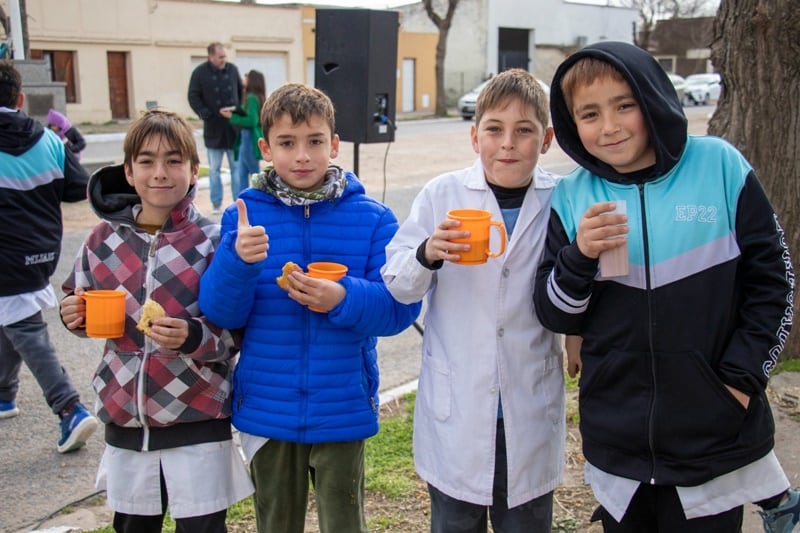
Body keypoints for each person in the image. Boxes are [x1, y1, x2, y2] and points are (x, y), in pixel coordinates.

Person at [533, 41, 799, 532]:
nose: (609, 127)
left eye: (624, 105)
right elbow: (555, 314)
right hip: (618, 441)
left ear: (653, 98)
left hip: (715, 434)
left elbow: (775, 286)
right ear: (571, 124)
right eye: (589, 114)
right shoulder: (572, 196)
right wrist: (579, 258)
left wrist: (739, 381)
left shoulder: (719, 166)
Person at [198, 82, 421, 533]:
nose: (302, 155)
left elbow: (400, 310)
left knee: (345, 523)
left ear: (334, 144)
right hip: (267, 407)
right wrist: (237, 261)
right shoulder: (243, 216)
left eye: (315, 141)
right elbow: (222, 314)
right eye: (286, 143)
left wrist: (343, 298)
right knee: (276, 523)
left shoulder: (374, 219)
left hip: (341, 406)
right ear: (265, 148)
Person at [381, 68, 565, 532]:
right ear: (473, 136)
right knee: (454, 519)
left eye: (524, 131)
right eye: (494, 130)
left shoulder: (562, 199)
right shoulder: (442, 195)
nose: (508, 144)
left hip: (528, 402)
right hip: (457, 407)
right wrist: (427, 254)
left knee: (525, 520)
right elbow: (399, 284)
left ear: (546, 140)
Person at [59, 108, 253, 532]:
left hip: (197, 417)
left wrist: (192, 336)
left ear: (194, 170)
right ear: (128, 172)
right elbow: (77, 299)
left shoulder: (214, 242)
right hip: (125, 417)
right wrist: (72, 314)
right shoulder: (101, 239)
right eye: (146, 161)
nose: (160, 173)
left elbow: (238, 332)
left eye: (173, 161)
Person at [0, 61, 98, 453]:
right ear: (20, 98)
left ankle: (69, 408)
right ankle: (4, 394)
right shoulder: (48, 141)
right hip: (39, 255)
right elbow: (79, 188)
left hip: (4, 256)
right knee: (11, 315)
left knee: (24, 327)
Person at [188, 42, 242, 214]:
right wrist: (207, 114)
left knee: (236, 168)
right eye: (220, 57)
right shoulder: (200, 73)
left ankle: (238, 202)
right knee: (214, 169)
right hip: (213, 129)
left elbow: (241, 92)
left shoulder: (232, 70)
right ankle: (216, 204)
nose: (223, 60)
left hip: (233, 129)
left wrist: (237, 110)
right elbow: (193, 96)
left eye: (225, 56)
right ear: (211, 56)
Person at [221, 69, 265, 198]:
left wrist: (232, 117)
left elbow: (252, 120)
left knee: (252, 173)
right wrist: (235, 110)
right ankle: (242, 200)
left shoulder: (251, 97)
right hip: (247, 138)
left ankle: (258, 198)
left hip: (249, 138)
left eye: (246, 77)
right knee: (243, 172)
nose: (243, 79)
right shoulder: (256, 96)